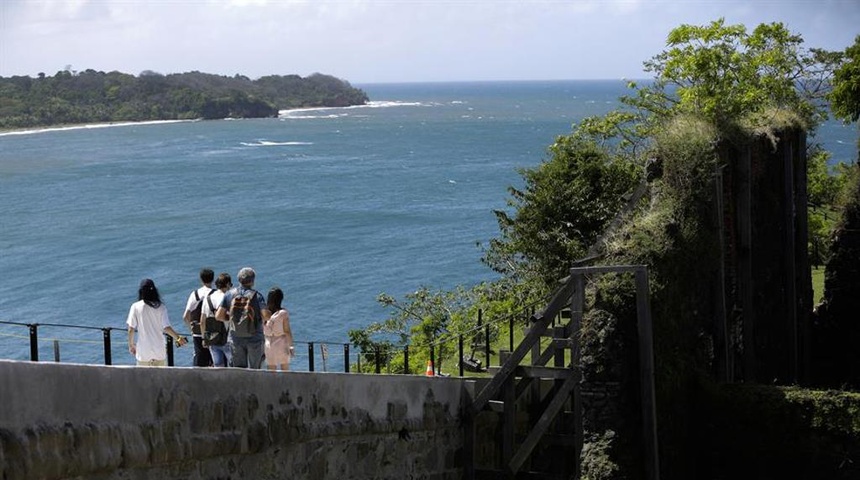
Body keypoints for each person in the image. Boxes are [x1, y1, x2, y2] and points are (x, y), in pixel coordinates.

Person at [216, 267, 270, 369]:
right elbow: (266, 315)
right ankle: (254, 385)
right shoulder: (257, 296)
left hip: (235, 338)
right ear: (252, 281)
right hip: (254, 338)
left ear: (239, 280)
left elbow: (218, 316)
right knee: (256, 369)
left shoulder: (229, 294)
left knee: (239, 370)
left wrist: (231, 317)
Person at [127, 278, 187, 366]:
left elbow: (131, 329)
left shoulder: (135, 307)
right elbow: (166, 327)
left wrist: (131, 345)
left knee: (143, 379)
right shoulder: (161, 307)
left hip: (143, 352)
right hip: (159, 350)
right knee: (160, 378)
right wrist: (178, 338)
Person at [183, 268, 215, 367]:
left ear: (201, 279)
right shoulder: (216, 294)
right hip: (213, 332)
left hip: (197, 333)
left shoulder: (195, 294)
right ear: (213, 279)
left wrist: (191, 329)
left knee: (199, 363)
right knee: (215, 362)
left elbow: (185, 316)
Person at [201, 272, 233, 367]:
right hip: (226, 337)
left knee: (218, 366)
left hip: (212, 338)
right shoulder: (227, 298)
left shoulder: (208, 299)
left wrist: (204, 338)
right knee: (233, 366)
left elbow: (202, 321)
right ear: (227, 284)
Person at [264, 286, 294, 371]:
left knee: (271, 371)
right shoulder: (283, 313)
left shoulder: (265, 313)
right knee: (285, 370)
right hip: (281, 343)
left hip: (268, 344)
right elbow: (287, 331)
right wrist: (291, 346)